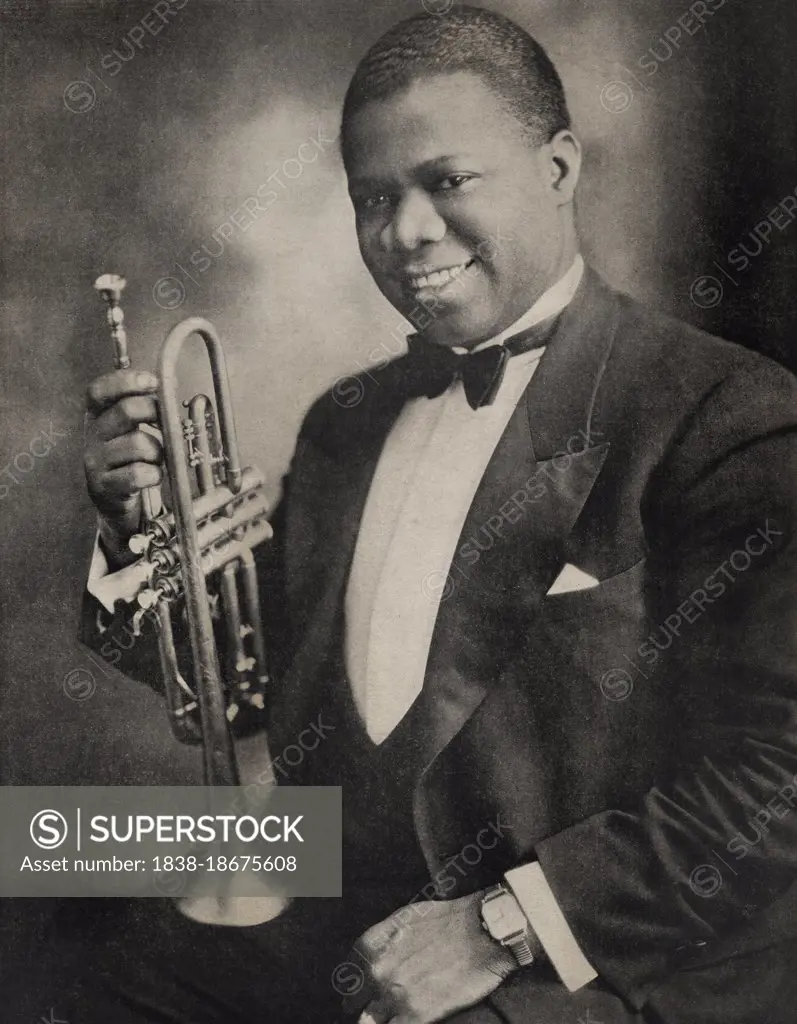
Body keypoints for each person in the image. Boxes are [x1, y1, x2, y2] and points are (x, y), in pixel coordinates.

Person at [74, 6, 797, 1023]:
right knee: (58, 885)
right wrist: (133, 532)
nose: (403, 232)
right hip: (342, 898)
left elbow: (776, 784)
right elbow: (240, 682)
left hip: (587, 957)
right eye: (372, 197)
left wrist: (498, 923)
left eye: (445, 181)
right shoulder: (344, 424)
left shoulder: (724, 413)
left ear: (556, 169)